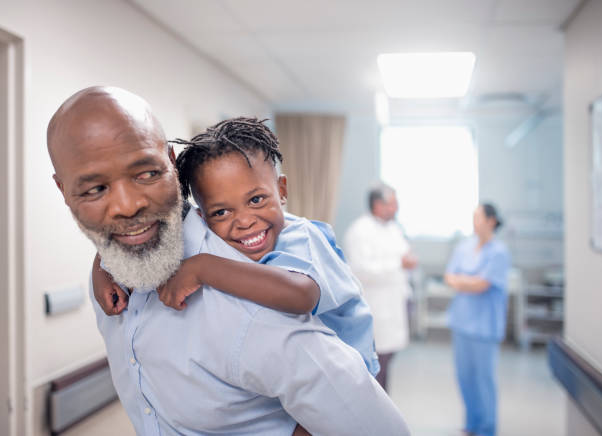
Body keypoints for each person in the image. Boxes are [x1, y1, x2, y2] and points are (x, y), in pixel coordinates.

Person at [47, 86, 410, 436]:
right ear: (64, 191)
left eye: (146, 174)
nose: (127, 206)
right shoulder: (119, 266)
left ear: (170, 166)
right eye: (95, 189)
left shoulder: (259, 291)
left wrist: (205, 268)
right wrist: (101, 264)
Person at [93, 117, 379, 376]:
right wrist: (103, 269)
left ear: (282, 190)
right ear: (203, 217)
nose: (244, 221)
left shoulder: (301, 237)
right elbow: (147, 230)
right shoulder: (218, 233)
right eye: (221, 212)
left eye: (256, 200)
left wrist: (202, 268)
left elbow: (300, 294)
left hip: (348, 372)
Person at [444, 203, 511, 436]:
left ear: (491, 221)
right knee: (465, 377)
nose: (475, 222)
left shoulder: (499, 252)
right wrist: (469, 281)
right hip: (462, 322)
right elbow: (449, 277)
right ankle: (472, 424)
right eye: (473, 217)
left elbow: (483, 284)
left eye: (478, 217)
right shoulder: (464, 247)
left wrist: (464, 281)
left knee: (484, 381)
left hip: (484, 327)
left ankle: (487, 429)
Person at [343, 183, 417, 392]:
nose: (396, 208)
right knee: (374, 369)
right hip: (375, 308)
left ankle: (383, 413)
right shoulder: (360, 230)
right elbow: (361, 270)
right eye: (392, 204)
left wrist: (407, 261)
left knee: (386, 364)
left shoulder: (394, 228)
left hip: (394, 306)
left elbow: (403, 255)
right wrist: (399, 265)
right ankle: (373, 416)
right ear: (377, 205)